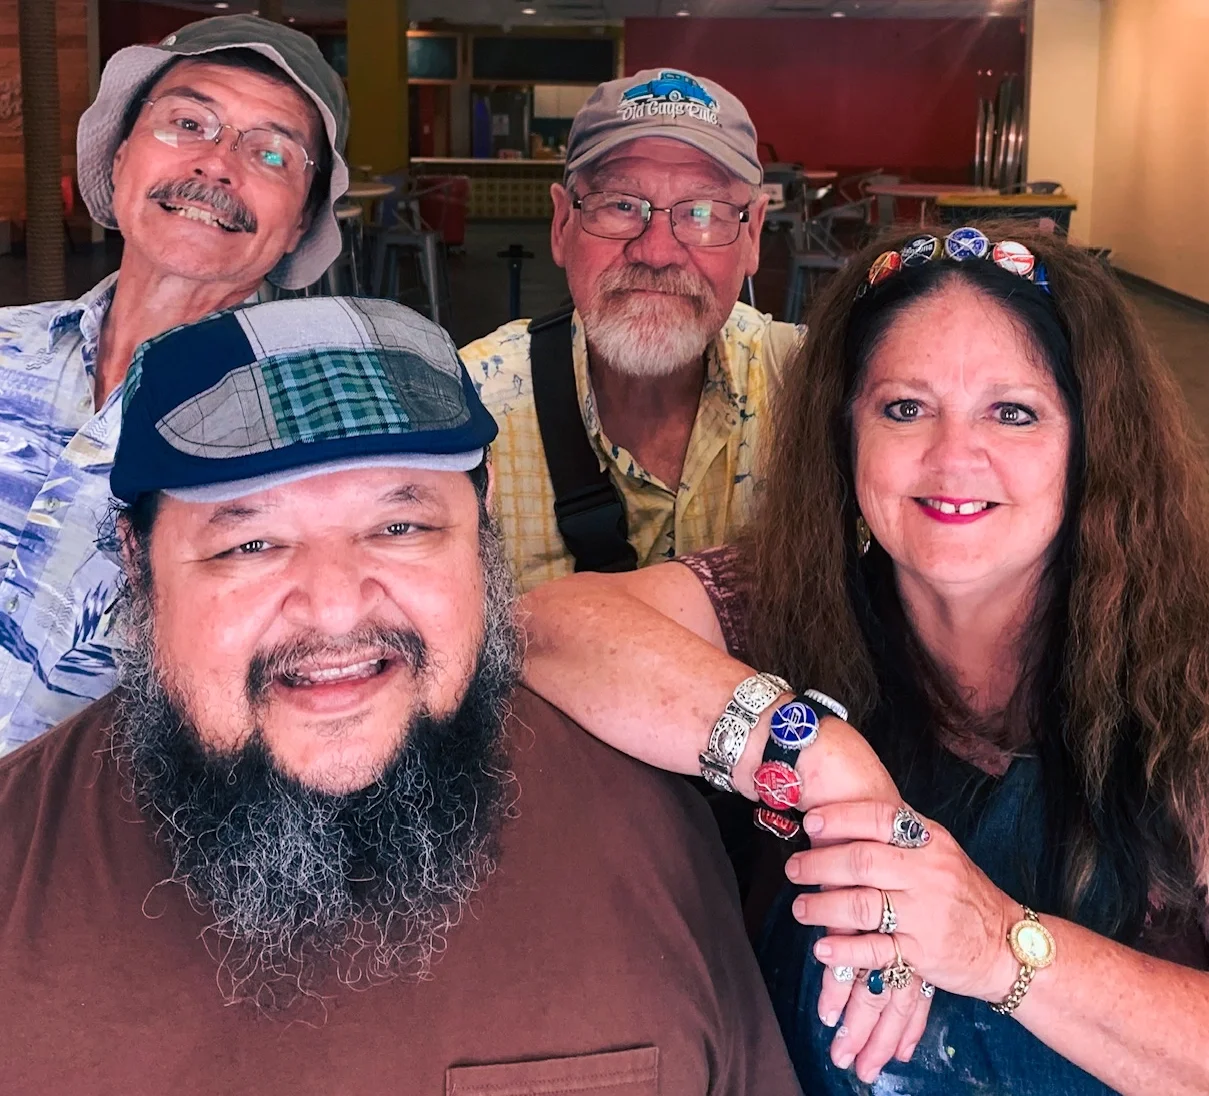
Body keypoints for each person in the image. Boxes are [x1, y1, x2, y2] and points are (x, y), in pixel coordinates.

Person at [0, 297, 801, 1094]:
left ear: (482, 522)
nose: (337, 607)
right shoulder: (20, 861)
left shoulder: (644, 821)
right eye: (251, 542)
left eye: (400, 528)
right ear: (139, 561)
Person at [520, 223, 1209, 1095]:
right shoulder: (796, 598)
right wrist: (812, 753)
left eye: (1013, 411)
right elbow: (549, 624)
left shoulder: (1185, 674)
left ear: (1092, 443)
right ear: (845, 437)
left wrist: (993, 946)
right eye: (904, 408)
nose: (953, 458)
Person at [0, 14, 349, 752]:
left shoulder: (313, 445)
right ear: (121, 156)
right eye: (188, 122)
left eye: (272, 153)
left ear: (297, 227)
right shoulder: (5, 347)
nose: (218, 165)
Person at [460, 68, 800, 592]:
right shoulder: (466, 413)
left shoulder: (809, 395)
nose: (657, 252)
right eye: (620, 205)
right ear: (560, 226)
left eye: (701, 211)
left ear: (752, 235)